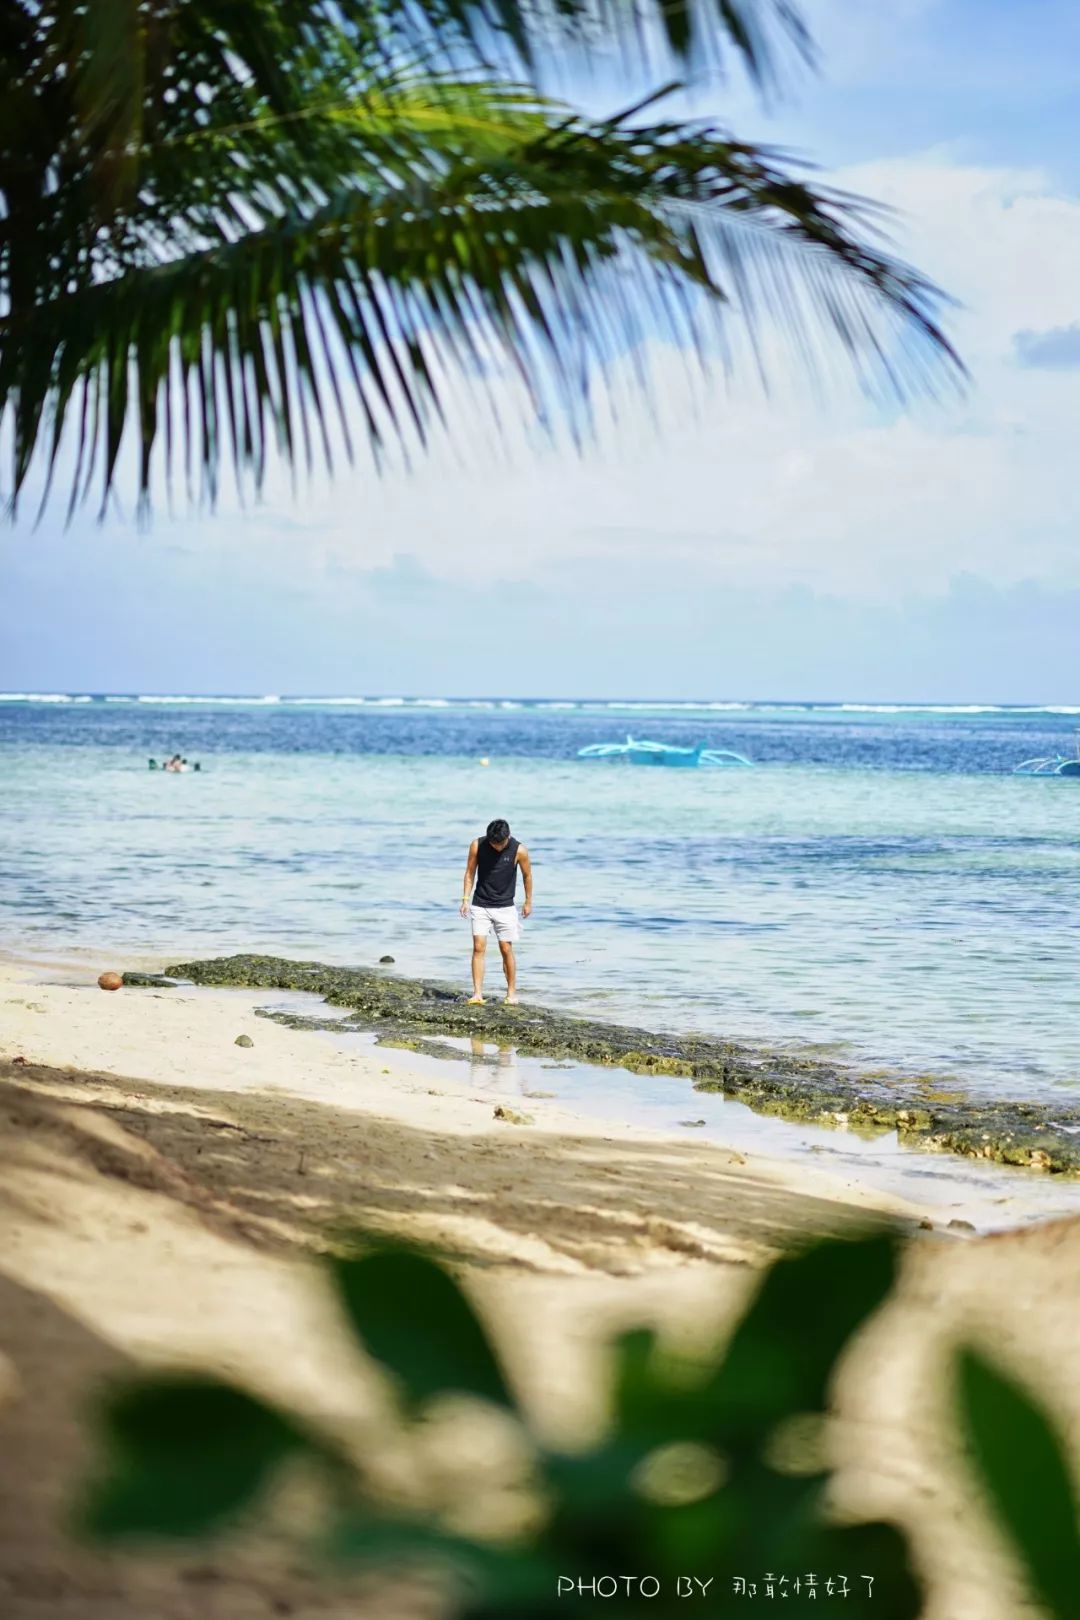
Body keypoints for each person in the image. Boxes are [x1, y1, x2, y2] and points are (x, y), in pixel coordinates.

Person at [460, 818, 532, 1004]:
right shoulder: (477, 845)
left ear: (508, 837)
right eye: (493, 844)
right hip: (480, 904)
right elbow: (469, 873)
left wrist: (528, 901)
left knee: (506, 948)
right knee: (478, 947)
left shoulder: (519, 850)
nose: (497, 848)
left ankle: (511, 993)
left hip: (505, 906)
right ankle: (477, 994)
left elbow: (527, 876)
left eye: (500, 844)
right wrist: (465, 900)